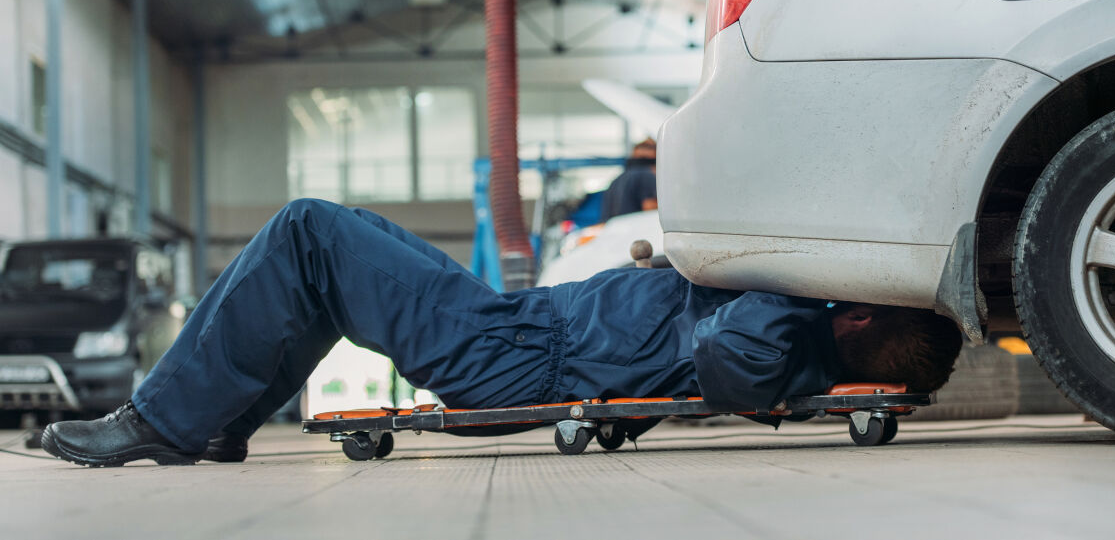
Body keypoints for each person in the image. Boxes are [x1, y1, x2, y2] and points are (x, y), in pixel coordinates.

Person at [41, 199, 962, 467]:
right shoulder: (797, 332)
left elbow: (724, 355)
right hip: (515, 327)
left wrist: (775, 283)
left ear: (861, 313)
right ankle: (215, 419)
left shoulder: (781, 335)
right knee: (332, 246)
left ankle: (160, 418)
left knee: (306, 228)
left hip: (511, 352)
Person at [599, 138, 658, 222]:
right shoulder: (646, 175)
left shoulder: (617, 179)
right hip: (636, 230)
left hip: (616, 230)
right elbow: (650, 207)